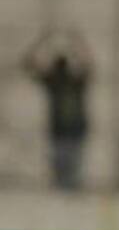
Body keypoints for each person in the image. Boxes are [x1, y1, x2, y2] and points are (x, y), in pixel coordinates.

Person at [22, 26, 93, 190]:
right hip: (64, 132)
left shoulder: (65, 83)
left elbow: (28, 64)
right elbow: (88, 63)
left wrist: (43, 40)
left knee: (68, 176)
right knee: (65, 176)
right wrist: (77, 43)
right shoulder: (61, 83)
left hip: (71, 132)